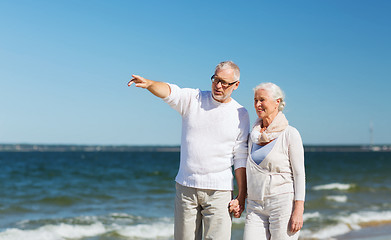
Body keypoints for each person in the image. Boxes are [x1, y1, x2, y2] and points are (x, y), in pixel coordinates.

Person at [127, 61, 249, 240]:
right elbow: (170, 91)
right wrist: (150, 84)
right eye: (215, 80)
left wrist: (242, 195)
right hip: (186, 188)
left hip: (219, 192)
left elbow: (240, 156)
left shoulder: (240, 113)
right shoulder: (194, 98)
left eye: (224, 82)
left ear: (236, 85)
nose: (218, 85)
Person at [231, 82, 305, 239]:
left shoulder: (290, 134)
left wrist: (298, 210)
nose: (257, 104)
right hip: (255, 205)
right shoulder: (253, 136)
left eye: (262, 100)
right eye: (255, 100)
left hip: (282, 204)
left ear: (277, 102)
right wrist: (241, 198)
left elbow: (299, 175)